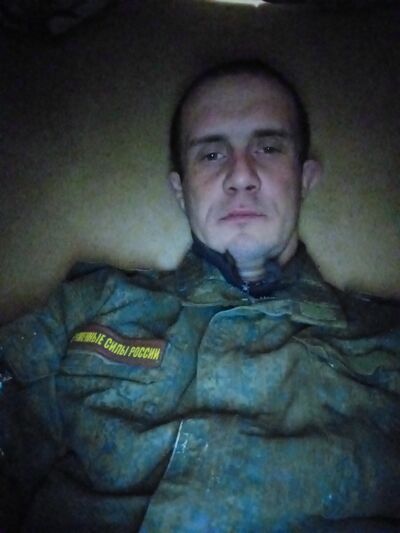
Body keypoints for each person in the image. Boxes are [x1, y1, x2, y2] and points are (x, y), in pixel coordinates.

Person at [1, 59, 399, 532]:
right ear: (180, 190)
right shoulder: (91, 305)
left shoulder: (386, 344)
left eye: (268, 147)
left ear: (306, 178)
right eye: (211, 154)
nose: (241, 175)